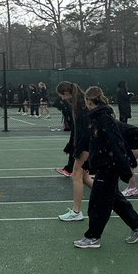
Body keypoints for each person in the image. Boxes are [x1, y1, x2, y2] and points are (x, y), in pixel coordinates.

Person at [73, 86, 138, 249]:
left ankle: (93, 237)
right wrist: (88, 164)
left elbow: (115, 144)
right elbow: (97, 144)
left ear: (88, 101)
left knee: (98, 203)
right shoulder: (97, 118)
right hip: (105, 165)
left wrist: (125, 167)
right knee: (115, 200)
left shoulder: (104, 119)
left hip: (109, 167)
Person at [56, 81, 92, 221]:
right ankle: (111, 199)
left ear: (66, 93)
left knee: (76, 175)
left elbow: (84, 130)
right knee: (84, 177)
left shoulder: (81, 105)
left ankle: (76, 212)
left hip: (87, 145)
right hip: (86, 144)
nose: (61, 99)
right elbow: (76, 130)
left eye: (61, 96)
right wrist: (70, 146)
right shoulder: (77, 104)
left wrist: (78, 150)